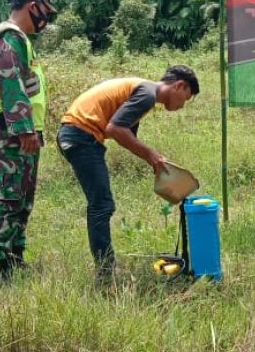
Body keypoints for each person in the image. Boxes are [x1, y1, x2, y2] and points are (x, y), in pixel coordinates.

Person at [58, 66, 200, 283]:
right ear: (179, 85)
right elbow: (115, 129)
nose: (182, 106)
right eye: (185, 98)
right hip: (80, 135)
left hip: (79, 135)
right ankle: (106, 274)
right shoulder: (147, 94)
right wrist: (151, 154)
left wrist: (151, 160)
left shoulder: (143, 93)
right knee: (101, 205)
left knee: (101, 204)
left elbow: (124, 135)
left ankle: (106, 269)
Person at [0, 0, 58, 286]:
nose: (45, 21)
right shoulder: (9, 37)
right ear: (32, 7)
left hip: (20, 134)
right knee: (8, 198)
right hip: (6, 133)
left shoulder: (20, 39)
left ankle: (14, 258)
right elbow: (10, 83)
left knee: (22, 199)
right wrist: (24, 129)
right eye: (45, 13)